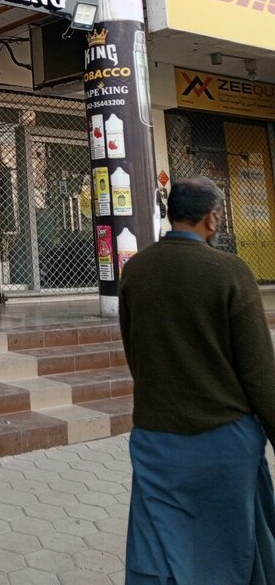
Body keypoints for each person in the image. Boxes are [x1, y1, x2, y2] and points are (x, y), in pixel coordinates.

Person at [118, 176, 275, 585]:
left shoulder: (136, 270)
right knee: (232, 550)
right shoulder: (231, 272)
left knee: (159, 551)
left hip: (156, 440)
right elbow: (260, 373)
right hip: (224, 441)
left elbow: (136, 352)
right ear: (211, 218)